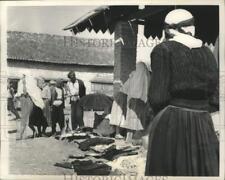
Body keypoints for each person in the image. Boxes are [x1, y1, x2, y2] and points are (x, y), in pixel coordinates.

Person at [145, 9, 219, 176]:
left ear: (169, 29)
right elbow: (215, 96)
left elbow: (158, 97)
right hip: (203, 121)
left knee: (171, 170)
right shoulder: (207, 53)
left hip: (173, 122)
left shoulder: (163, 50)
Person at [15, 74, 45, 140]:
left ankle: (20, 135)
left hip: (29, 101)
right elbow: (20, 94)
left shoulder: (32, 88)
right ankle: (34, 131)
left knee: (25, 118)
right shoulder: (24, 85)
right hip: (25, 101)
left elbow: (25, 93)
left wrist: (24, 83)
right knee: (27, 120)